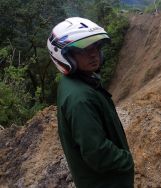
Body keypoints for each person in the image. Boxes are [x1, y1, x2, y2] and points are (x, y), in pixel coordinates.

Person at [47, 17, 134, 188]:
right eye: (82, 50)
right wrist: (126, 160)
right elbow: (97, 153)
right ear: (65, 56)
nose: (93, 53)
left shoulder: (76, 82)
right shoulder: (80, 98)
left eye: (95, 47)